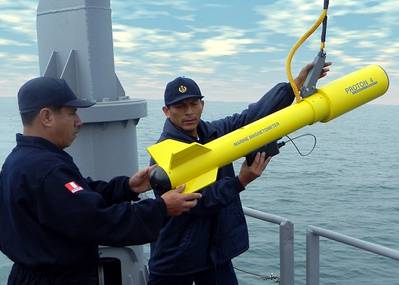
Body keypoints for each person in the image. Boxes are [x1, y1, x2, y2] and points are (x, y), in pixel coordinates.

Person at [0, 77, 202, 285]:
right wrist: (161, 208)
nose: (79, 121)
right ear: (47, 117)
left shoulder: (19, 160)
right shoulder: (46, 170)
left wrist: (127, 187)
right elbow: (97, 221)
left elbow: (80, 195)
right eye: (72, 113)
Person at [148, 63, 331, 285]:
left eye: (194, 103)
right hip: (176, 260)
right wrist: (241, 180)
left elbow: (251, 117)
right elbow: (197, 204)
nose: (189, 112)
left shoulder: (214, 133)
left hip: (215, 255)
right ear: (167, 111)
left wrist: (296, 84)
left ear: (202, 105)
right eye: (180, 106)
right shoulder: (163, 155)